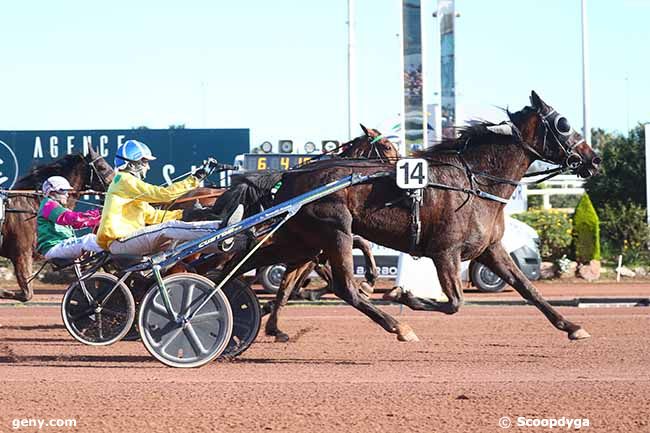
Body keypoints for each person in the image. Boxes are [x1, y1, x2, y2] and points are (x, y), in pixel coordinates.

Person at [96, 139, 242, 256]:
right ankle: (219, 228)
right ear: (133, 164)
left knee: (180, 243)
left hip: (124, 242)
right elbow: (164, 195)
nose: (148, 167)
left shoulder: (126, 185)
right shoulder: (124, 180)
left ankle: (218, 242)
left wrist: (187, 214)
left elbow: (153, 216)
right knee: (168, 228)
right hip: (121, 242)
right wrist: (196, 178)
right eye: (145, 162)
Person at [37, 176, 103, 261]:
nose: (67, 195)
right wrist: (96, 216)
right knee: (89, 239)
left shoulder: (57, 207)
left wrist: (97, 217)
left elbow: (77, 223)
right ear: (52, 192)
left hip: (60, 246)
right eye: (64, 191)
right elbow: (72, 219)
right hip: (54, 247)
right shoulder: (48, 205)